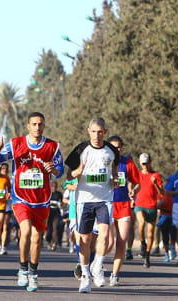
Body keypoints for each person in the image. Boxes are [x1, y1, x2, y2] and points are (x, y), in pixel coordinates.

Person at [0, 112, 64, 292]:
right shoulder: (16, 144)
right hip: (21, 197)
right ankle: (22, 269)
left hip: (42, 199)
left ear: (44, 126)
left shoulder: (52, 146)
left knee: (37, 237)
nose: (37, 127)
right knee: (25, 231)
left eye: (40, 124)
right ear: (28, 126)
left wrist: (53, 169)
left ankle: (33, 272)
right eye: (34, 124)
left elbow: (60, 171)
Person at [65, 117, 119, 293]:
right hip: (84, 200)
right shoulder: (81, 150)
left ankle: (98, 265)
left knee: (105, 233)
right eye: (93, 131)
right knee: (85, 240)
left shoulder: (111, 150)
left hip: (105, 199)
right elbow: (68, 176)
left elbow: (115, 168)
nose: (96, 135)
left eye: (100, 132)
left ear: (105, 132)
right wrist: (77, 172)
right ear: (88, 131)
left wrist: (116, 179)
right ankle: (86, 275)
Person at [106, 135, 140, 286]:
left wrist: (134, 191)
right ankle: (96, 262)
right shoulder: (104, 161)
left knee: (121, 242)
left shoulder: (127, 162)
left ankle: (114, 274)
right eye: (114, 147)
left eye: (119, 147)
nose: (117, 149)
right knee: (107, 242)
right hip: (106, 204)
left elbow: (137, 182)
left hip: (124, 205)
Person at [134, 153, 163, 268]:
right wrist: (132, 192)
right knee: (141, 223)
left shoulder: (156, 175)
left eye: (147, 163)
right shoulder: (138, 174)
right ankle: (142, 243)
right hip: (140, 204)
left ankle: (147, 255)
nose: (145, 166)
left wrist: (155, 183)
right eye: (143, 164)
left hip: (152, 206)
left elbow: (162, 193)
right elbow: (134, 185)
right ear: (140, 164)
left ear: (150, 162)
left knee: (150, 234)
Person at [157, 191, 177, 263]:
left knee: (173, 235)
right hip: (164, 216)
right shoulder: (161, 193)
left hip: (173, 216)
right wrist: (161, 202)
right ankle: (166, 254)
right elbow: (157, 205)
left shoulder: (175, 191)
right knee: (165, 236)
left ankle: (173, 249)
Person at [46, 183, 64, 251]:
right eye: (52, 186)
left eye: (55, 186)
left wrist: (60, 204)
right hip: (49, 213)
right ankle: (48, 241)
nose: (54, 188)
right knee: (49, 229)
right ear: (50, 187)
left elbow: (61, 202)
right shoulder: (48, 193)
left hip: (56, 213)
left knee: (55, 228)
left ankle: (54, 243)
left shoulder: (59, 194)